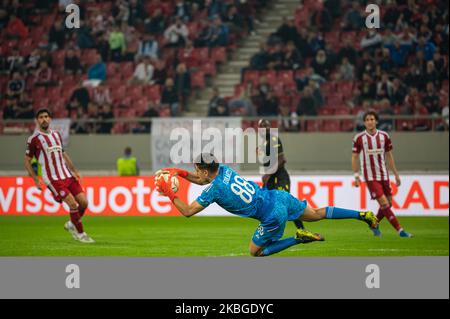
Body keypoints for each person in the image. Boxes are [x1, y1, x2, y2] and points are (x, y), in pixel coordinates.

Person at [155, 153, 379, 257]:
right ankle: (363, 215)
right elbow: (202, 178)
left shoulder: (214, 190)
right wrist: (179, 173)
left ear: (205, 170)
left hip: (272, 214)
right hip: (278, 197)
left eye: (197, 169)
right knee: (318, 213)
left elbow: (186, 211)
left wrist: (168, 192)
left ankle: (297, 238)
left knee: (255, 252)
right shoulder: (224, 169)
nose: (196, 173)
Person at [24, 108, 94, 243]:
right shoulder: (34, 139)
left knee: (84, 203)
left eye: (46, 116)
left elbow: (63, 154)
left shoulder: (56, 135)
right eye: (41, 117)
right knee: (73, 204)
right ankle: (80, 234)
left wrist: (74, 170)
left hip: (66, 175)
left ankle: (71, 224)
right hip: (53, 178)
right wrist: (35, 179)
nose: (44, 119)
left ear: (50, 119)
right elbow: (27, 160)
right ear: (37, 120)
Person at [352, 110, 413, 238]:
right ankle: (400, 231)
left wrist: (396, 174)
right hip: (370, 176)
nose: (370, 122)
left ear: (376, 121)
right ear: (364, 122)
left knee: (389, 204)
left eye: (372, 119)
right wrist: (356, 176)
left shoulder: (384, 136)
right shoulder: (359, 138)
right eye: (367, 120)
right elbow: (354, 157)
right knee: (384, 204)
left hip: (384, 175)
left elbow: (389, 156)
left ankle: (373, 223)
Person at [258, 119, 304, 230]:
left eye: (267, 125)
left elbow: (282, 159)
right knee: (269, 206)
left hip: (280, 178)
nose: (265, 127)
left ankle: (302, 230)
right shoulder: (264, 143)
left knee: (286, 204)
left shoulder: (273, 139)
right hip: (271, 180)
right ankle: (268, 231)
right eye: (262, 126)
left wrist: (268, 174)